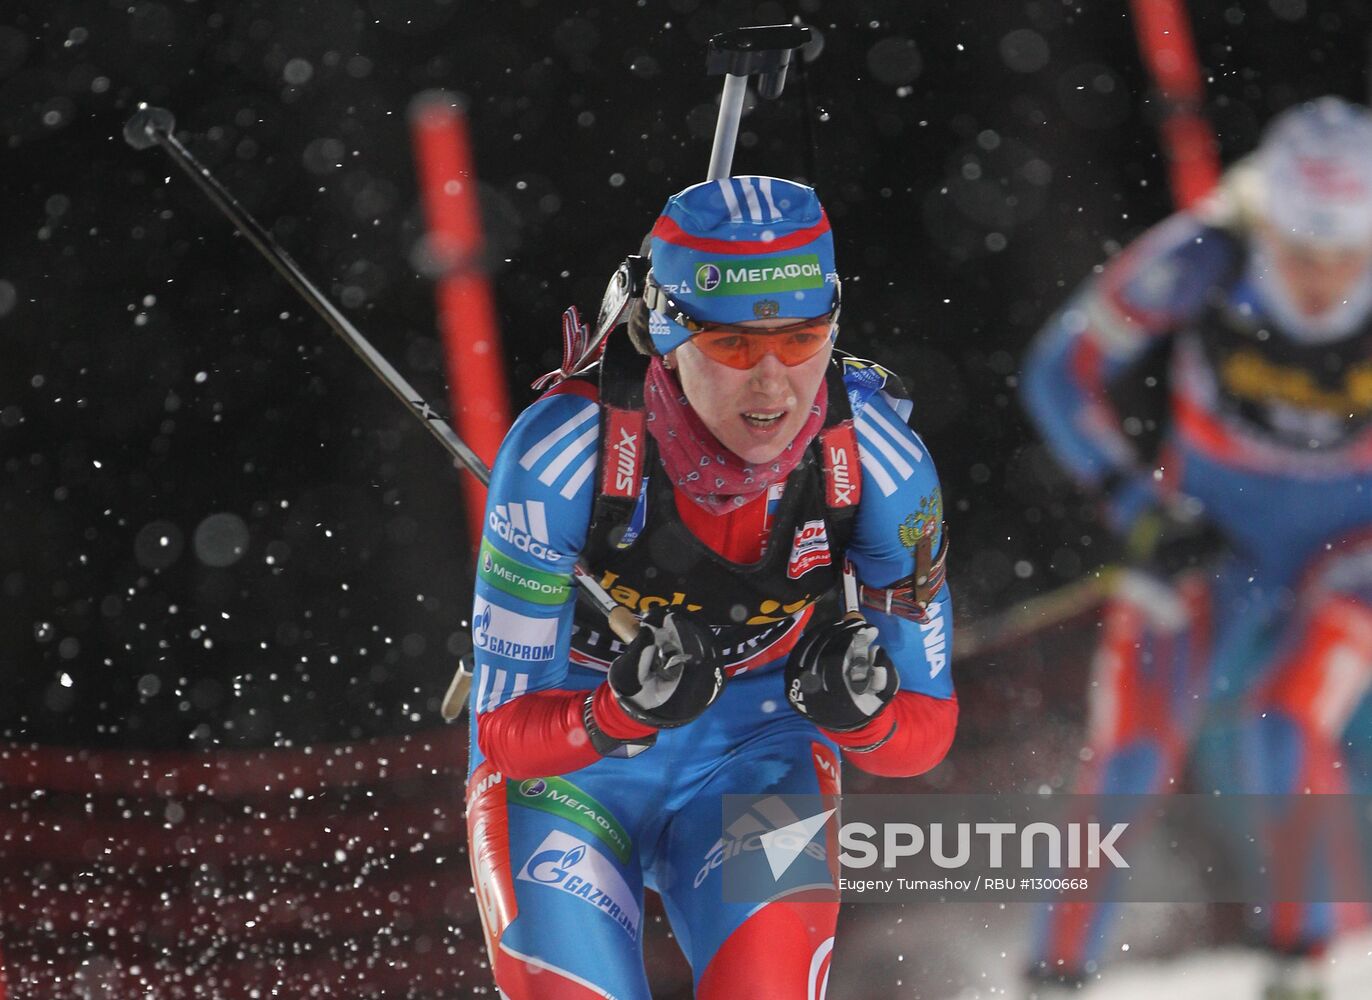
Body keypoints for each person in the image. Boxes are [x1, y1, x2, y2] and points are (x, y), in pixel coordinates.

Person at [463, 175, 955, 998]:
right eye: (732, 346)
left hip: (755, 753)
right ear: (667, 332)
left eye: (801, 341)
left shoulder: (879, 463)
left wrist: (860, 716)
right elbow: (506, 731)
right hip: (574, 770)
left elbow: (927, 729)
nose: (771, 385)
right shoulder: (562, 457)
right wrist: (620, 710)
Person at [1021, 96, 1372, 993]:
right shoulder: (1203, 252)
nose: (1324, 279)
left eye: (1348, 256)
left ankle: (1307, 964)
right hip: (1210, 538)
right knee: (1134, 751)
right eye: (1301, 252)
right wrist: (1134, 505)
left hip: (1352, 550)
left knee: (1288, 727)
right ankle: (1052, 974)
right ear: (1268, 223)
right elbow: (1062, 370)